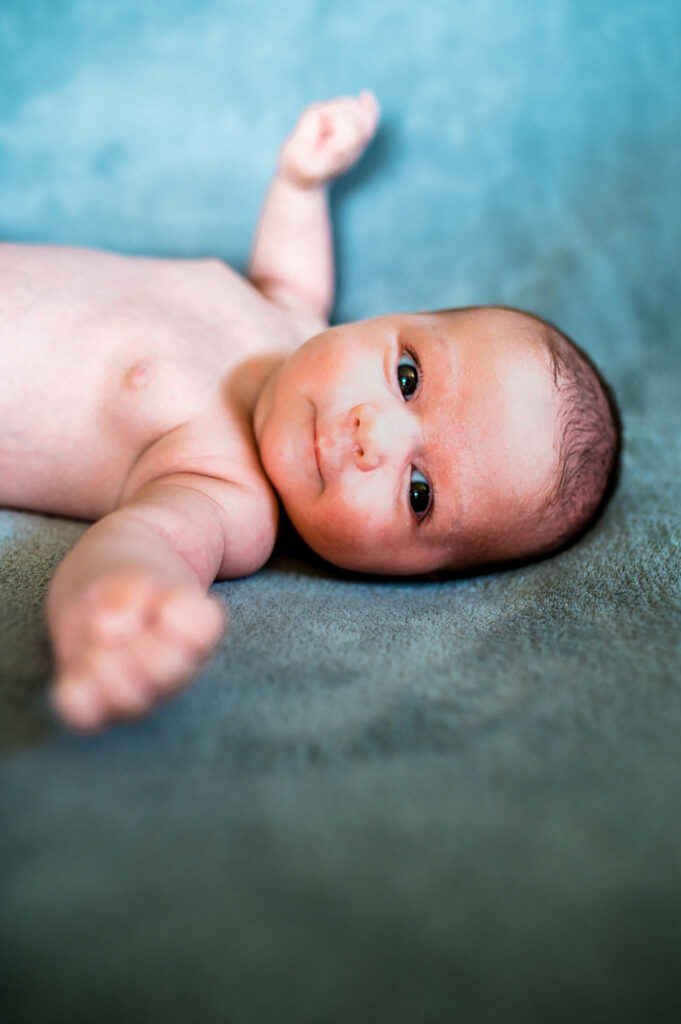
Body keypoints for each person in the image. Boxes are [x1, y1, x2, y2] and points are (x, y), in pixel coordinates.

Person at [0, 91, 620, 732]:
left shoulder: (229, 497)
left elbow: (151, 543)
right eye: (407, 378)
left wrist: (123, 605)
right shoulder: (292, 317)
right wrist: (302, 183)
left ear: (414, 575)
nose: (375, 434)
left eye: (418, 492)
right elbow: (289, 274)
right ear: (393, 318)